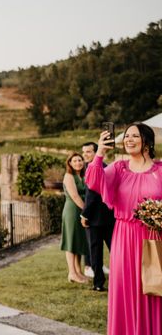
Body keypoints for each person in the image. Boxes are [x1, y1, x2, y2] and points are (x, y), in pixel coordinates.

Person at [86, 122, 162, 334]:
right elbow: (92, 181)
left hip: (153, 238)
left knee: (153, 288)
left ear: (146, 141)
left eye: (134, 136)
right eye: (126, 136)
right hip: (124, 237)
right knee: (125, 290)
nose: (128, 139)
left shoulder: (160, 171)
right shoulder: (118, 169)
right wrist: (100, 152)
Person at [80, 141, 114, 291]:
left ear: (96, 152)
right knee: (114, 250)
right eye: (84, 152)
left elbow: (91, 195)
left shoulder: (93, 168)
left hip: (95, 217)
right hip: (109, 216)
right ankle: (120, 280)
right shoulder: (105, 166)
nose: (85, 155)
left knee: (96, 252)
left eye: (88, 152)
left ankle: (98, 284)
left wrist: (84, 215)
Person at [60, 152, 89, 283]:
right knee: (71, 242)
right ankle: (72, 273)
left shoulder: (83, 175)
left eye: (80, 160)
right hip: (72, 210)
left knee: (78, 241)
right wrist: (86, 211)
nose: (78, 162)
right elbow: (75, 196)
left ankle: (79, 272)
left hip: (81, 210)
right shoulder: (69, 176)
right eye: (75, 161)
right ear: (70, 163)